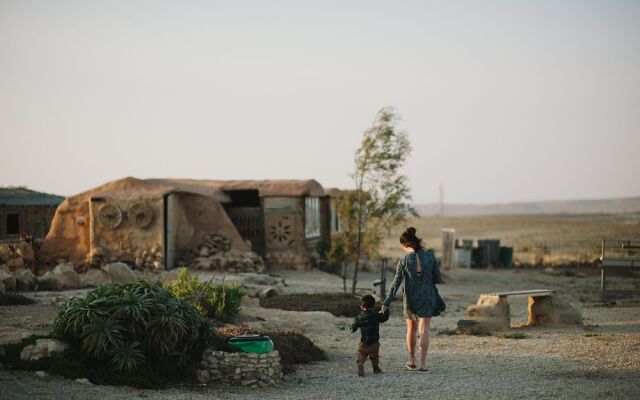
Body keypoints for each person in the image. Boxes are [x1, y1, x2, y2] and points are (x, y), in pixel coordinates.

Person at [381, 227, 443, 372]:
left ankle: (412, 361)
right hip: (428, 296)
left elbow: (396, 283)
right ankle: (422, 364)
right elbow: (438, 278)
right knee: (425, 329)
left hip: (410, 298)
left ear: (405, 245)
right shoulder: (430, 256)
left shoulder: (404, 259)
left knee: (411, 328)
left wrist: (386, 302)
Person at [351, 294, 390, 377]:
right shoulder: (376, 315)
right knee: (374, 357)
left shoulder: (359, 317)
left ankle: (360, 363)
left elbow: (354, 328)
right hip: (374, 342)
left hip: (364, 342)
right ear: (373, 306)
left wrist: (352, 329)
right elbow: (384, 318)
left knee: (362, 354)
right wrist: (385, 310)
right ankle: (376, 369)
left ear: (361, 307)